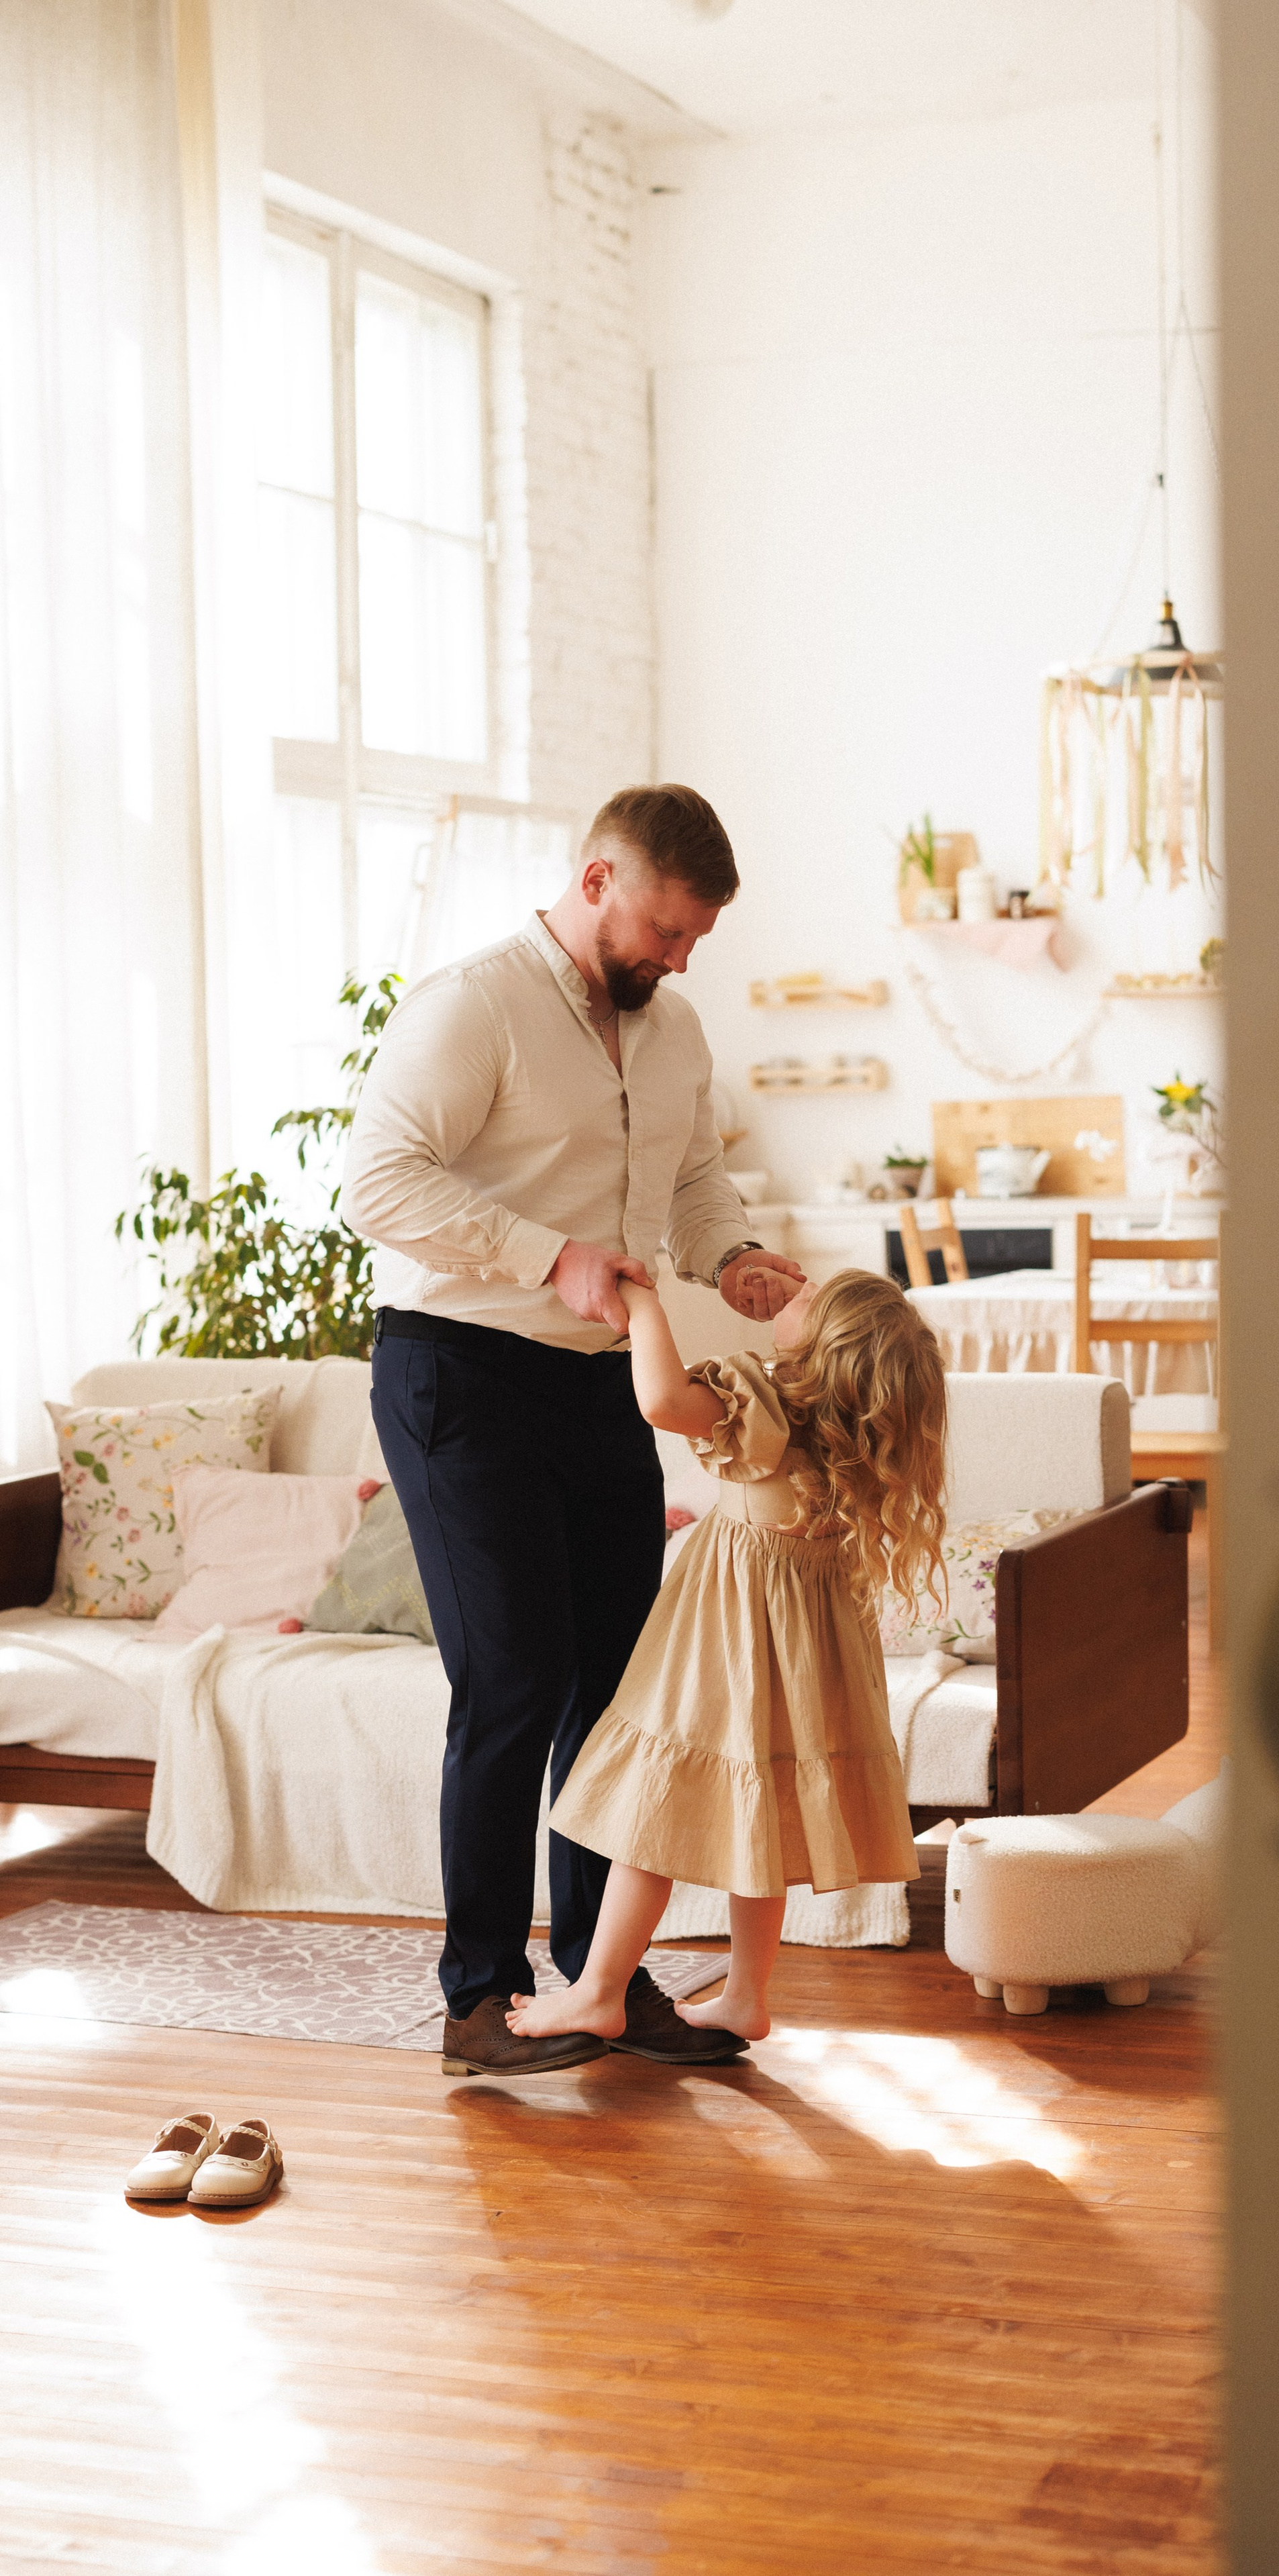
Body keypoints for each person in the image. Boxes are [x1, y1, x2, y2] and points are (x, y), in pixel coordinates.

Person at [342, 784, 805, 2080]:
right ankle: (480, 1993)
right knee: (518, 1678)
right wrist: (548, 1257)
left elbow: (691, 1182)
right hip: (459, 1376)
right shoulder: (471, 1004)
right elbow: (374, 1182)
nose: (678, 957)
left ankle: (598, 1983)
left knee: (617, 1685)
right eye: (665, 928)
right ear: (596, 881)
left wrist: (740, 1255)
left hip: (598, 1380)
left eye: (697, 938)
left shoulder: (676, 1029)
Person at [505, 1267, 947, 2048]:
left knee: (651, 1813)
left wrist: (640, 1301)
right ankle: (745, 1995)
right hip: (801, 1664)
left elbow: (662, 1401)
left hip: (726, 1647)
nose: (794, 1289)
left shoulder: (767, 1409)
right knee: (764, 1824)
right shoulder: (840, 1435)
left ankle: (600, 1991)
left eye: (809, 1297)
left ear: (821, 1344)